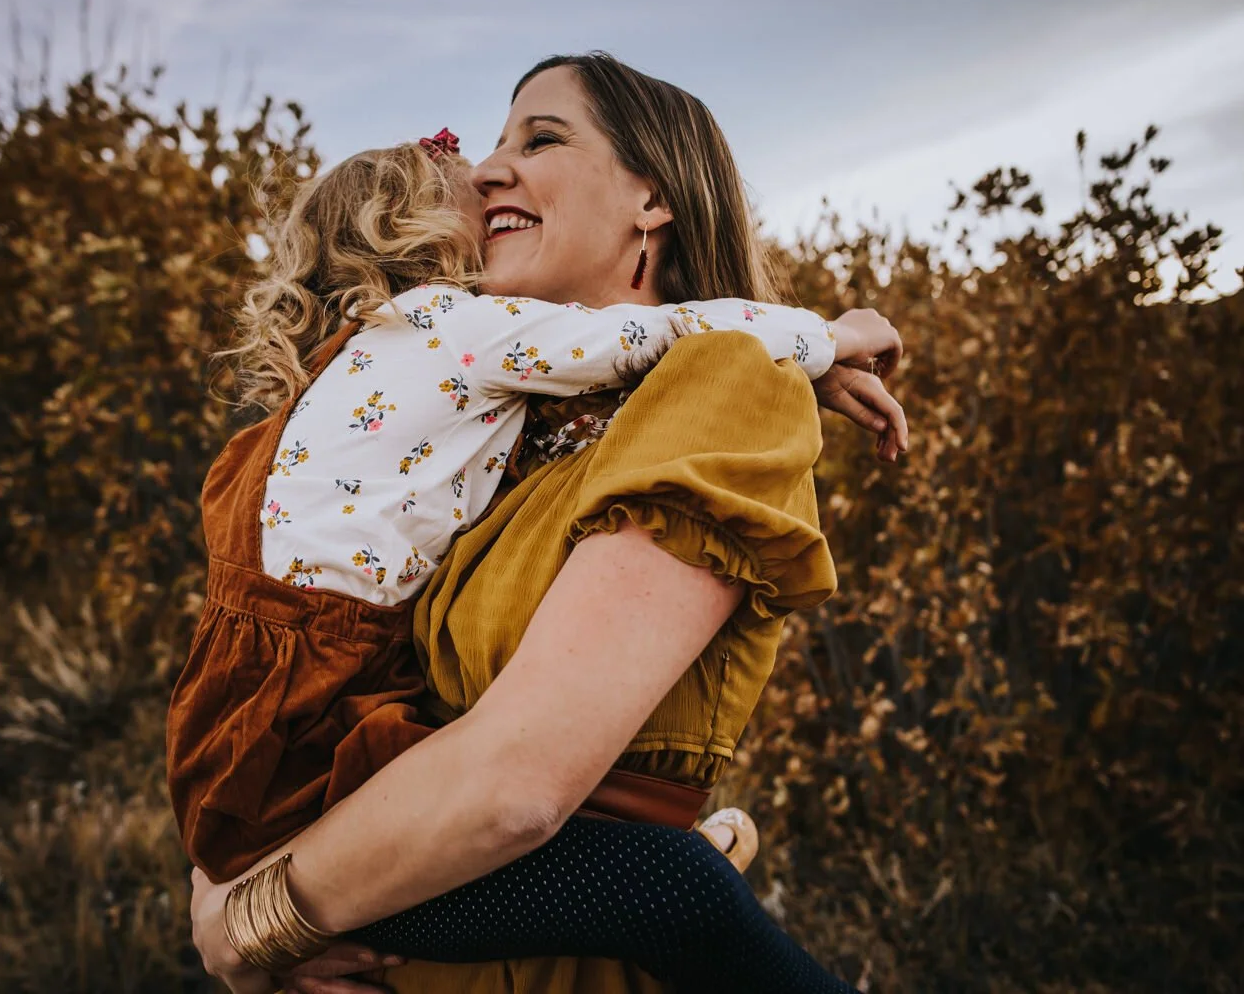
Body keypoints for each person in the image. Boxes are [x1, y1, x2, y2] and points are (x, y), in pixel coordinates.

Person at [190, 52, 907, 994]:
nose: (487, 171)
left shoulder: (727, 383)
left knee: (679, 885)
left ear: (653, 198)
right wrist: (214, 883)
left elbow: (514, 785)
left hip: (557, 964)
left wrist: (255, 921)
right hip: (407, 949)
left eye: (540, 138)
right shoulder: (483, 426)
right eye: (492, 145)